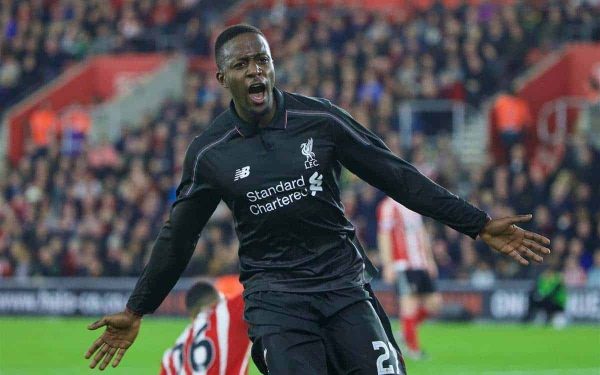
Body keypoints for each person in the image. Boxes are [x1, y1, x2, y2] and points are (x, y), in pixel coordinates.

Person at [85, 24, 551, 374]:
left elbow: (398, 177)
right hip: (276, 298)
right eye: (244, 64)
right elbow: (177, 238)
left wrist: (476, 222)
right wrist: (136, 309)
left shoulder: (320, 120)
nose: (257, 71)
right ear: (222, 77)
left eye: (263, 60)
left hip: (343, 287)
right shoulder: (211, 153)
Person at [377, 196, 441, 359]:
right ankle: (413, 349)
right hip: (402, 264)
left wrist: (430, 260)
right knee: (409, 304)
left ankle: (405, 332)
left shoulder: (412, 204)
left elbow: (421, 234)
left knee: (434, 304)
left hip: (420, 263)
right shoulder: (388, 206)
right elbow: (384, 235)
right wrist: (388, 264)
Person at [158, 280, 251, 375]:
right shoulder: (230, 311)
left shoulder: (171, 357)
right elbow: (259, 290)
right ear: (218, 299)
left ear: (192, 315)